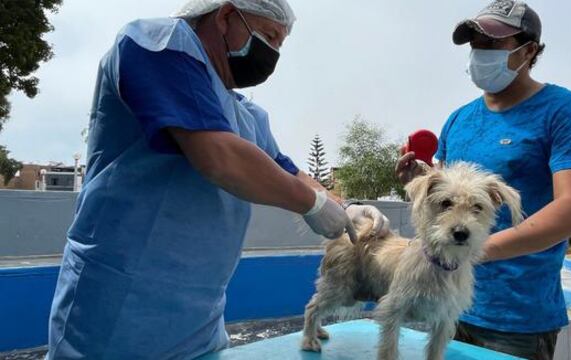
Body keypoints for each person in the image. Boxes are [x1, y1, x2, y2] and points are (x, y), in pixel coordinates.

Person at [46, 0, 389, 358]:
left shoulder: (245, 115)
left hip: (199, 320)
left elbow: (290, 172)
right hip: (120, 308)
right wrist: (311, 204)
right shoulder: (156, 44)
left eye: (279, 45)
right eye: (269, 36)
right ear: (225, 16)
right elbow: (218, 157)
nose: (271, 53)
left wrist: (344, 207)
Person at [396, 1, 571, 359]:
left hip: (517, 316)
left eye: (493, 44)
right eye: (475, 44)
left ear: (529, 51)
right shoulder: (459, 119)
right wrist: (420, 181)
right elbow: (447, 200)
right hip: (448, 303)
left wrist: (476, 251)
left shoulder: (564, 110)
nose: (480, 53)